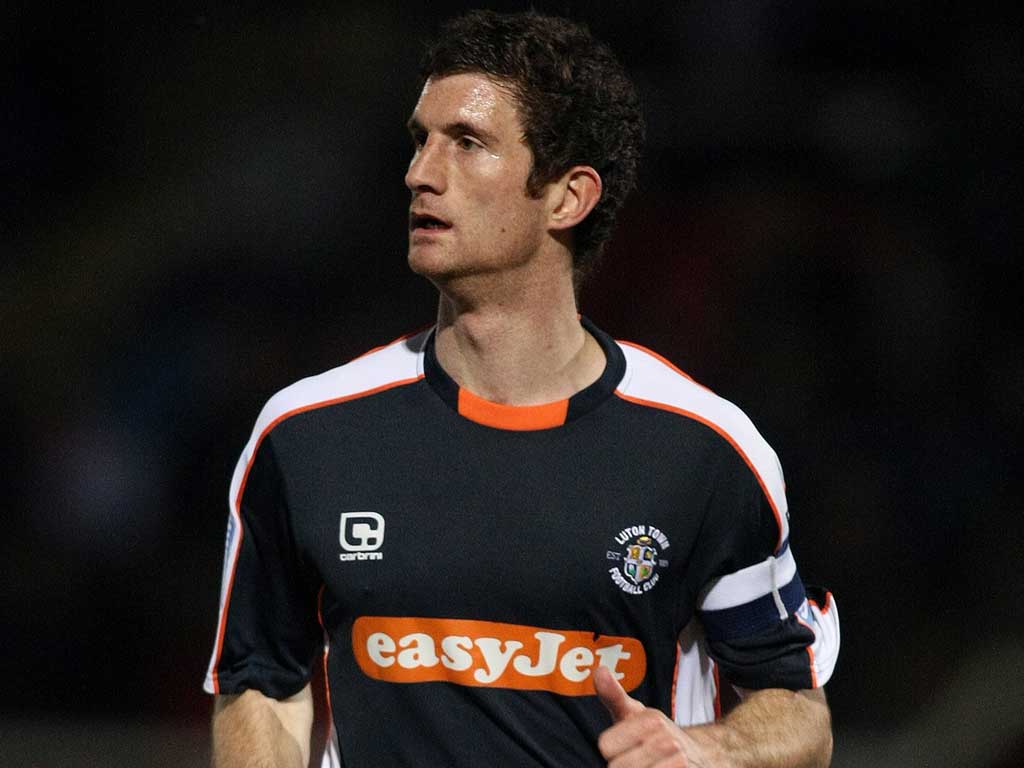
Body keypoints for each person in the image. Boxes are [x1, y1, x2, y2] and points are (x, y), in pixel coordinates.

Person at [205, 9, 840, 767]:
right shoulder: (307, 434)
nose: (420, 173)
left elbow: (797, 712)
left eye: (467, 143)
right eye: (420, 140)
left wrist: (710, 750)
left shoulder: (706, 451)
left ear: (569, 198)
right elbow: (262, 686)